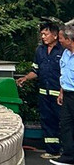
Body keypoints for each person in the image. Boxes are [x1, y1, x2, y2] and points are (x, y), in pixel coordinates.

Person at [19, 21, 63, 158]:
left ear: (55, 35)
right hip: (44, 94)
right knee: (47, 121)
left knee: (63, 122)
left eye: (46, 34)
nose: (43, 37)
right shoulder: (40, 50)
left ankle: (66, 150)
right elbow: (36, 70)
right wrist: (25, 78)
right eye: (42, 34)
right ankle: (52, 150)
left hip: (61, 95)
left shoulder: (64, 51)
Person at [54, 24, 74, 165]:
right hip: (67, 94)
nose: (59, 41)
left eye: (61, 38)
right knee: (66, 125)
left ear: (69, 39)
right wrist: (61, 92)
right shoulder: (65, 53)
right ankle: (68, 156)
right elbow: (64, 74)